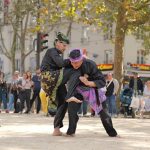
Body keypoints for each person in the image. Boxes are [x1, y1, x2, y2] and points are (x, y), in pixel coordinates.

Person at [53, 49, 118, 137]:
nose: (74, 64)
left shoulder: (90, 64)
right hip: (78, 90)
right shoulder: (68, 64)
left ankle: (112, 133)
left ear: (81, 59)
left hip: (94, 90)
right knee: (71, 105)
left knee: (104, 113)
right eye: (72, 62)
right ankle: (71, 131)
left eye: (76, 62)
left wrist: (88, 83)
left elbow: (102, 81)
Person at [40, 32, 70, 113]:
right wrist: (72, 60)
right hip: (49, 77)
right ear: (57, 43)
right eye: (64, 45)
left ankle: (55, 109)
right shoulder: (52, 51)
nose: (65, 48)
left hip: (53, 78)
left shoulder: (56, 54)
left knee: (64, 97)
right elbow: (61, 63)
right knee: (70, 71)